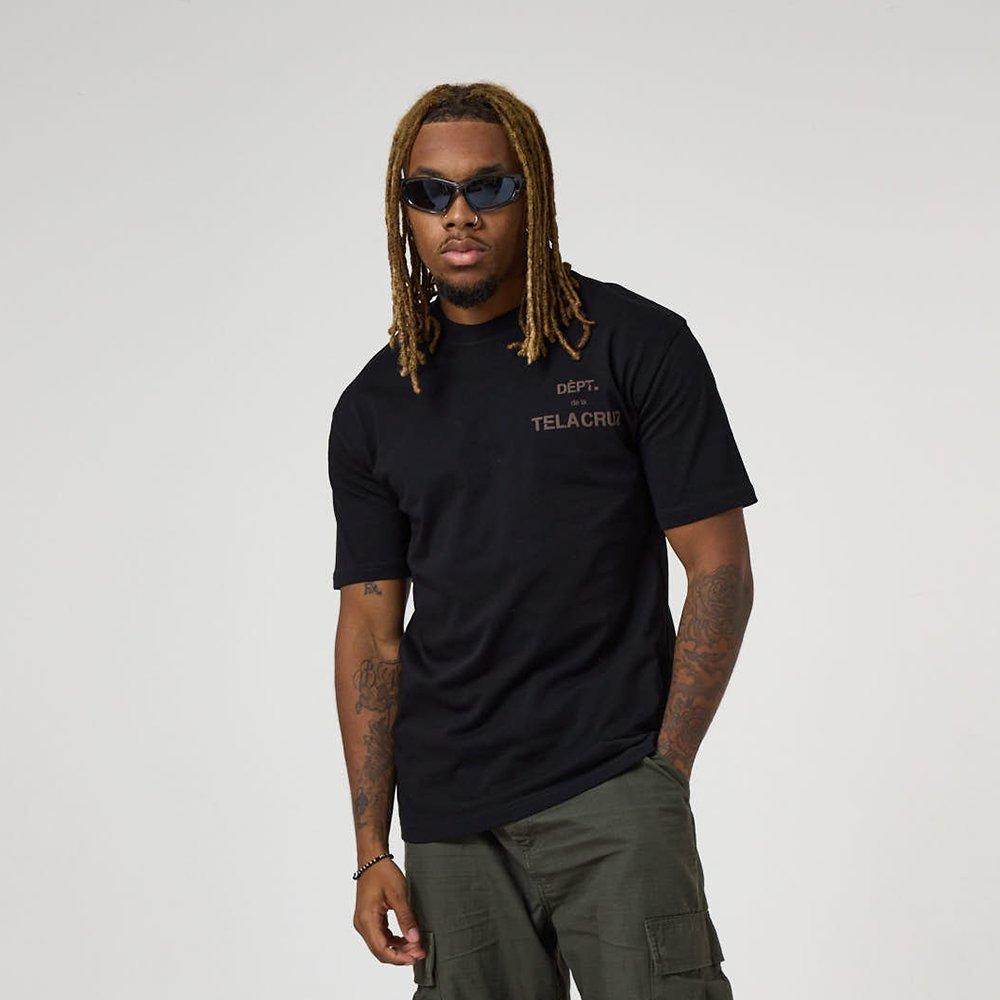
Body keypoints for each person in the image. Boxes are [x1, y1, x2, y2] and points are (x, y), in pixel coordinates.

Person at [328, 81, 757, 1000]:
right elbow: (370, 630)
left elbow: (719, 567)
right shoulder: (374, 404)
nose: (459, 214)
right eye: (429, 192)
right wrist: (371, 848)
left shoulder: (633, 344)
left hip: (611, 789)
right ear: (405, 211)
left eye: (489, 187)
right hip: (449, 824)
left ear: (534, 196)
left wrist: (665, 769)